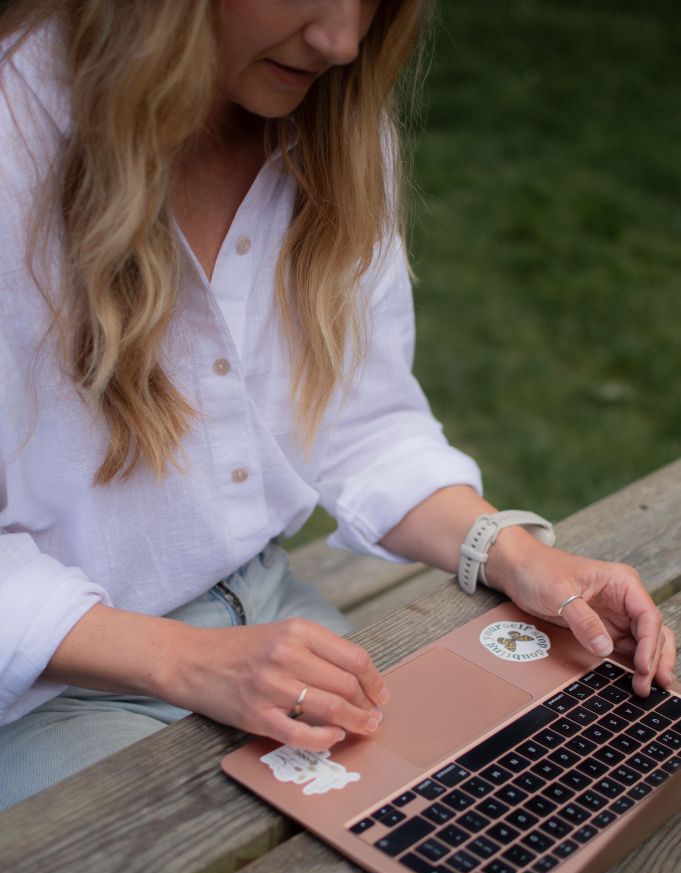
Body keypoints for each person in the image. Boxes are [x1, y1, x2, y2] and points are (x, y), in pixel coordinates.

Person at [0, 0, 675, 812]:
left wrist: (514, 554)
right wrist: (185, 660)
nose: (342, 41)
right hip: (47, 692)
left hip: (271, 612)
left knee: (508, 814)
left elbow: (361, 425)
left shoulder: (329, 128)